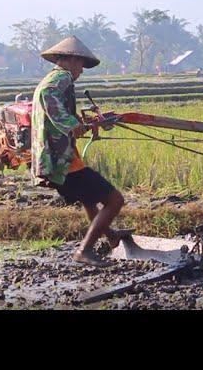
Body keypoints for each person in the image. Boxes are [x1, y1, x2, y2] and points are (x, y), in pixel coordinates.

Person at [31, 36, 129, 267]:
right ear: (71, 60)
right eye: (81, 65)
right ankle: (84, 251)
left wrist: (86, 123)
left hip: (60, 157)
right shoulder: (60, 77)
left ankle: (111, 236)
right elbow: (49, 97)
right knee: (115, 200)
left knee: (89, 199)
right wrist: (71, 124)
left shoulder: (54, 77)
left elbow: (58, 111)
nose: (82, 71)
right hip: (60, 159)